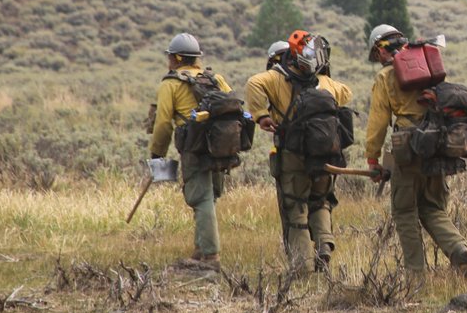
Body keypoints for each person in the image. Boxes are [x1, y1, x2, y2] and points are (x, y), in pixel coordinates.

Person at [363, 24, 467, 281]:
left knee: (404, 211)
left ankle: (415, 275)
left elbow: (378, 121)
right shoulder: (429, 68)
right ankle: (458, 248)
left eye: (376, 54)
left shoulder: (385, 77)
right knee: (433, 207)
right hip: (439, 142)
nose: (377, 60)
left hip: (408, 148)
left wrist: (372, 158)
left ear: (380, 49)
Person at [245, 30, 353, 271]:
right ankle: (324, 244)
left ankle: (303, 266)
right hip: (327, 153)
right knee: (321, 201)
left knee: (296, 209)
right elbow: (346, 93)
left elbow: (253, 83)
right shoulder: (325, 82)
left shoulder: (274, 78)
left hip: (293, 153)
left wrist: (261, 115)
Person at [147, 33, 234, 268]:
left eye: (169, 57)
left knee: (200, 197)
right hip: (220, 145)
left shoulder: (170, 84)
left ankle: (211, 256)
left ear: (176, 58)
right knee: (209, 197)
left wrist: (157, 153)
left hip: (194, 147)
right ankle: (199, 249)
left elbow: (163, 123)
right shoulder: (215, 78)